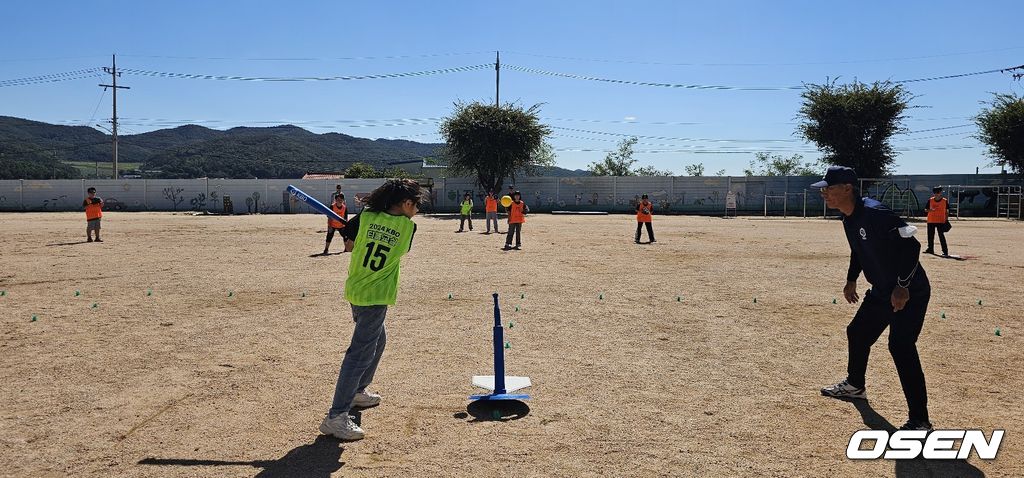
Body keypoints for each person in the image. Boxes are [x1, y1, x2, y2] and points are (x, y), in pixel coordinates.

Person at [814, 166, 933, 431]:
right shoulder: (848, 217)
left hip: (908, 292)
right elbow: (858, 249)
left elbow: (912, 246)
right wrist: (851, 279)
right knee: (857, 333)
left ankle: (920, 420)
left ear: (847, 188)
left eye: (829, 188)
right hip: (881, 291)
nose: (824, 193)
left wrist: (903, 286)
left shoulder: (876, 213)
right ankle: (855, 386)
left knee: (900, 347)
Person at [320, 178, 424, 441]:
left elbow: (349, 246)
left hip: (357, 289)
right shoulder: (407, 228)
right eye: (417, 204)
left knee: (378, 342)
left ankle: (357, 392)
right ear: (406, 203)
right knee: (359, 355)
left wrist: (352, 230)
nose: (418, 209)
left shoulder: (366, 216)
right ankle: (336, 416)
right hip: (375, 296)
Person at [924, 187, 950, 256]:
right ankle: (930, 249)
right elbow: (926, 210)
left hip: (941, 221)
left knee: (941, 236)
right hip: (931, 220)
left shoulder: (944, 201)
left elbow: (947, 211)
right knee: (930, 236)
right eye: (936, 193)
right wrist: (930, 210)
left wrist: (946, 220)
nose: (937, 194)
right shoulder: (930, 200)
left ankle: (945, 251)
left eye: (938, 192)